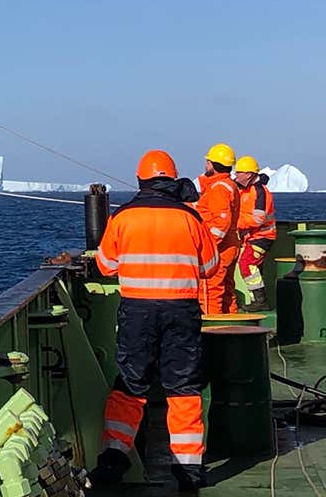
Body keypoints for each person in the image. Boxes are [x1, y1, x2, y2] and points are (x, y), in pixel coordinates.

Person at [91, 149, 219, 491]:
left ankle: (114, 460)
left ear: (140, 181)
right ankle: (189, 470)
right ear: (172, 181)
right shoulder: (190, 219)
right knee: (184, 387)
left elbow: (105, 266)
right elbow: (210, 268)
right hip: (182, 312)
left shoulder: (123, 218)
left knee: (131, 385)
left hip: (137, 312)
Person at [196, 143, 241, 314]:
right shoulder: (226, 186)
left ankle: (212, 332)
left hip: (219, 250)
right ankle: (232, 330)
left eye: (208, 162)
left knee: (210, 292)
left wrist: (206, 246)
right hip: (230, 246)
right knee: (227, 292)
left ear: (213, 164)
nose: (206, 164)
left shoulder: (218, 189)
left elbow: (220, 223)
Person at [235, 155, 276, 311]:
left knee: (246, 263)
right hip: (253, 237)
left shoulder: (260, 192)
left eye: (239, 172)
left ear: (249, 174)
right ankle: (255, 300)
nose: (236, 175)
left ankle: (260, 300)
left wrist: (235, 223)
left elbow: (257, 219)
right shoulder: (245, 189)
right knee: (254, 267)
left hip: (262, 237)